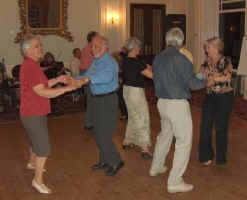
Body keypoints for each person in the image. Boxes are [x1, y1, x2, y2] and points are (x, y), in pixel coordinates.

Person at [19, 34, 84, 194]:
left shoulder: (31, 65)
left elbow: (42, 84)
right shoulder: (31, 67)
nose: (41, 48)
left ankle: (32, 163)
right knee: (44, 148)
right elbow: (43, 92)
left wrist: (57, 79)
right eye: (37, 46)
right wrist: (67, 88)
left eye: (40, 45)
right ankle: (37, 180)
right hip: (33, 113)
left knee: (36, 141)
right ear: (28, 51)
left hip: (32, 112)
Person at [150, 27, 211, 193]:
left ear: (167, 41)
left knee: (165, 135)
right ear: (182, 42)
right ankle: (175, 181)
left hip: (161, 102)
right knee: (183, 142)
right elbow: (192, 84)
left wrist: (196, 78)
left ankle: (156, 166)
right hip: (177, 104)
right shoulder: (182, 58)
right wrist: (206, 81)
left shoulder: (158, 57)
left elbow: (163, 77)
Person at [76, 35, 124, 176]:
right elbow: (88, 74)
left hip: (107, 100)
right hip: (97, 99)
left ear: (105, 47)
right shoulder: (96, 61)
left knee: (104, 134)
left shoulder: (109, 62)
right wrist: (73, 79)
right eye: (92, 46)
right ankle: (104, 160)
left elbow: (106, 77)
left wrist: (87, 79)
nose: (93, 49)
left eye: (96, 46)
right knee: (98, 132)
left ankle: (116, 161)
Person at [198, 37, 234, 166]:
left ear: (216, 47)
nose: (206, 50)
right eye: (206, 47)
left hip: (224, 97)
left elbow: (228, 76)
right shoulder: (207, 61)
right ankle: (205, 156)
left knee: (221, 127)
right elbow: (200, 74)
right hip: (210, 96)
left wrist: (214, 79)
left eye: (208, 47)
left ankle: (220, 158)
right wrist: (201, 77)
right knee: (205, 126)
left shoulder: (225, 61)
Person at [121, 37, 153, 159]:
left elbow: (145, 68)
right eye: (139, 47)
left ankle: (127, 141)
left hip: (126, 90)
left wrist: (147, 68)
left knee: (133, 116)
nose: (140, 49)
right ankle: (144, 147)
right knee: (142, 117)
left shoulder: (126, 60)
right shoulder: (136, 62)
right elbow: (151, 75)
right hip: (135, 92)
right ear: (134, 48)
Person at [79, 31, 99, 130]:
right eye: (97, 37)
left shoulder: (86, 47)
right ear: (93, 38)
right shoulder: (92, 47)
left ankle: (90, 121)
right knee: (92, 99)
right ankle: (90, 122)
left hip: (85, 72)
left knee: (90, 98)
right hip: (88, 73)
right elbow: (95, 62)